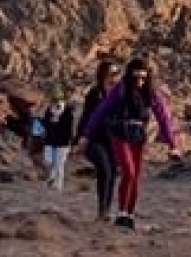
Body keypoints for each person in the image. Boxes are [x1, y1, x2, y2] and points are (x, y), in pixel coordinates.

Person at [78, 54, 178, 232]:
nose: (140, 81)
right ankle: (121, 213)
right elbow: (101, 111)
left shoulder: (150, 93)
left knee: (136, 178)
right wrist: (86, 134)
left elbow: (163, 117)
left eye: (143, 78)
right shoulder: (121, 89)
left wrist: (173, 145)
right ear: (130, 75)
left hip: (138, 136)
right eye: (136, 77)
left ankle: (128, 215)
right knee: (129, 172)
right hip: (121, 133)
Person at [75, 57, 120, 221]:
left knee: (112, 172)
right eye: (112, 73)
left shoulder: (119, 95)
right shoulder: (95, 93)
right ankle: (102, 211)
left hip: (112, 140)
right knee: (104, 169)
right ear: (103, 74)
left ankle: (106, 211)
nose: (115, 76)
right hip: (94, 139)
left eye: (117, 73)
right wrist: (81, 137)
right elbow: (87, 116)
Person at [40, 89, 76, 193]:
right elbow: (45, 123)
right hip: (50, 140)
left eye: (58, 99)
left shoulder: (67, 111)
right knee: (48, 161)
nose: (56, 101)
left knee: (59, 164)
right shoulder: (49, 110)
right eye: (54, 99)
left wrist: (70, 141)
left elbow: (68, 127)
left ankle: (57, 186)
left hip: (63, 142)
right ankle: (52, 177)